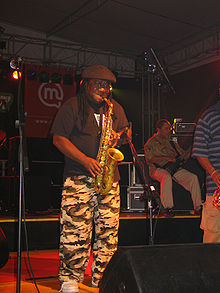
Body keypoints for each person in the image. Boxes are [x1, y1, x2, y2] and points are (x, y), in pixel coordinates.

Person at [51, 64, 130, 293]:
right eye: (99, 84)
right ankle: (69, 278)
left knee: (108, 232)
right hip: (78, 177)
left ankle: (102, 277)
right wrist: (85, 160)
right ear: (85, 84)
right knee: (75, 230)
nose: (104, 89)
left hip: (108, 179)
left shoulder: (115, 109)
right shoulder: (72, 106)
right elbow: (59, 139)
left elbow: (126, 133)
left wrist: (120, 137)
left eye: (107, 86)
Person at [144, 119, 202, 217]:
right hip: (157, 169)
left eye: (169, 128)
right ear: (159, 129)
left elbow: (183, 156)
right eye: (166, 129)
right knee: (166, 176)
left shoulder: (172, 142)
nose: (169, 130)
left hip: (173, 169)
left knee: (193, 178)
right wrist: (166, 158)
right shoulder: (151, 142)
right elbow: (149, 159)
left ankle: (198, 207)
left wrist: (193, 147)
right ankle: (167, 208)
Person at [192, 98, 220, 243]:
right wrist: (214, 172)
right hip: (217, 192)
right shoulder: (209, 117)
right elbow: (199, 152)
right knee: (213, 242)